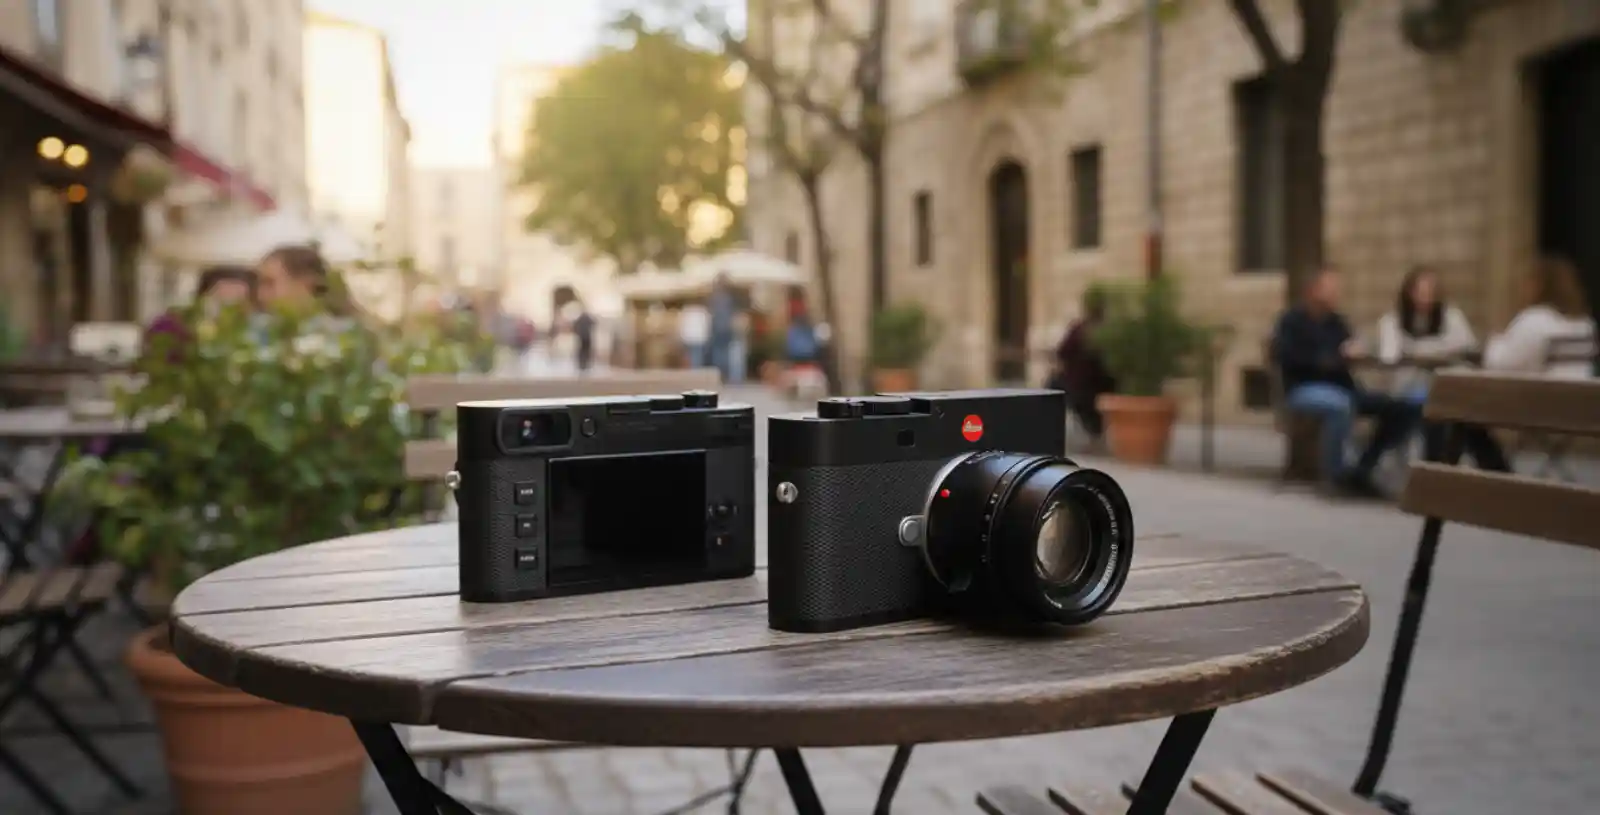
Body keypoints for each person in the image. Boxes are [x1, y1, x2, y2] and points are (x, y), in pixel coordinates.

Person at [1272, 267, 1421, 496]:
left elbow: (1349, 351)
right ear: (1313, 291)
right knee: (1339, 404)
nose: (1335, 294)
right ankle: (1336, 476)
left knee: (1403, 408)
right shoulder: (1291, 321)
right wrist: (1331, 358)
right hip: (1303, 388)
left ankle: (1363, 469)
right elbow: (1288, 357)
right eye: (1330, 288)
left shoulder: (1337, 322)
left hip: (1344, 387)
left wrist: (1356, 352)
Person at [1375, 266, 1509, 469]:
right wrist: (1438, 350)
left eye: (1431, 290)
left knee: (1466, 414)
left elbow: (1466, 345)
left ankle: (1475, 468)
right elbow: (1389, 356)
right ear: (1409, 293)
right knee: (1437, 409)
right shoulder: (1392, 321)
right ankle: (1437, 468)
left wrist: (1420, 350)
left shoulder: (1451, 316)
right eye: (1421, 290)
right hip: (1411, 388)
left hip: (1450, 388)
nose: (1427, 296)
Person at [1482, 256, 1595, 379]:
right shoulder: (1585, 323)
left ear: (1539, 285)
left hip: (1544, 394)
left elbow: (1499, 363)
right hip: (1583, 394)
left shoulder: (1536, 319)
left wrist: (1496, 338)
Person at [143, 266, 257, 361]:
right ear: (201, 297)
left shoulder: (255, 335)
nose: (228, 308)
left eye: (238, 300)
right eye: (220, 299)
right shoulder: (171, 325)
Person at [1050, 287, 1116, 441]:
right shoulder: (1110, 329)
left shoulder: (1080, 328)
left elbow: (1062, 352)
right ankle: (1095, 429)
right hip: (1106, 383)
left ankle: (1052, 429)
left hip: (1082, 385)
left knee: (1053, 385)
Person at [708, 273, 737, 381]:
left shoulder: (714, 297)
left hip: (717, 328)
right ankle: (723, 374)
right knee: (724, 352)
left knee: (718, 352)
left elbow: (711, 313)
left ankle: (719, 374)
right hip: (726, 328)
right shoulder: (729, 298)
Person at [678, 301, 710, 368]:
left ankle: (693, 369)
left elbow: (682, 325)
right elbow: (706, 325)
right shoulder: (702, 311)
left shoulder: (686, 311)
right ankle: (696, 369)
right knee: (698, 356)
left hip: (689, 338)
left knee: (689, 356)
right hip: (699, 338)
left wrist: (682, 337)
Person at [571, 303, 596, 374]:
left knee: (583, 350)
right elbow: (594, 323)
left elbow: (575, 326)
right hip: (586, 336)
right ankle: (584, 363)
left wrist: (577, 332)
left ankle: (582, 363)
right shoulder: (587, 318)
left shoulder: (580, 319)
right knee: (585, 350)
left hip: (582, 336)